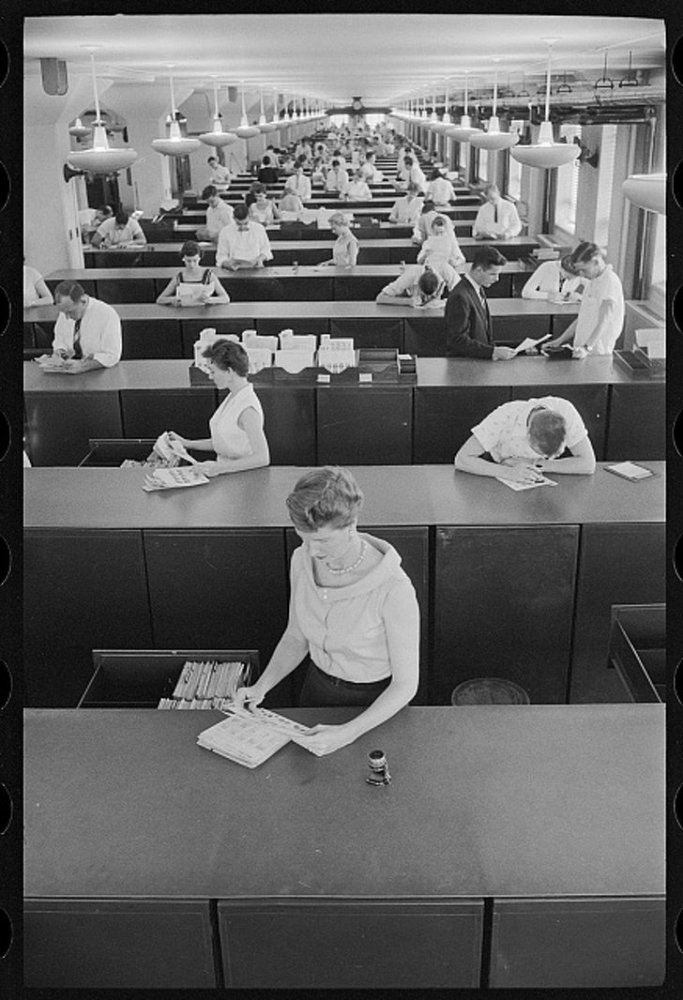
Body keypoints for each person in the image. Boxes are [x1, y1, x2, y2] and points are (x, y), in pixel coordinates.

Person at [231, 466, 420, 755]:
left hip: (373, 705)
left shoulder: (395, 588)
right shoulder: (301, 559)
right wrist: (261, 686)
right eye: (303, 537)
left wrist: (348, 733)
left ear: (351, 525)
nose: (312, 551)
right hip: (316, 690)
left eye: (322, 540)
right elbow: (296, 636)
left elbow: (405, 685)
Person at [168, 339, 269, 476]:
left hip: (243, 477)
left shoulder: (248, 409)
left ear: (229, 372)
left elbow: (262, 457)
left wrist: (219, 468)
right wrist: (187, 443)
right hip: (227, 475)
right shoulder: (233, 397)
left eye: (213, 372)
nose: (210, 377)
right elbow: (224, 441)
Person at [454, 396, 596, 484]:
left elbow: (588, 464)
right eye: (541, 452)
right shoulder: (505, 416)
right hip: (499, 470)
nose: (547, 457)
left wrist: (533, 464)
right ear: (527, 435)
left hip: (542, 475)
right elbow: (462, 459)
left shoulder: (566, 411)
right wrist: (508, 472)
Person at [543, 242, 625, 357]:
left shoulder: (610, 281)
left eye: (584, 270)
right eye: (579, 271)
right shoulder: (593, 281)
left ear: (595, 262)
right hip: (582, 348)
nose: (581, 274)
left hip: (597, 351)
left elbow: (604, 320)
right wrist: (560, 340)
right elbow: (582, 317)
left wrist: (587, 347)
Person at [444, 246, 516, 360]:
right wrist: (492, 352)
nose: (497, 279)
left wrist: (494, 350)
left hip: (478, 360)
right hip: (465, 364)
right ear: (478, 270)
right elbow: (457, 340)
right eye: (492, 274)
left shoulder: (478, 288)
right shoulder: (460, 297)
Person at [49, 280, 122, 372]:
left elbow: (112, 355)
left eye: (70, 312)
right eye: (63, 312)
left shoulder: (107, 315)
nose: (67, 317)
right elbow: (60, 339)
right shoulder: (66, 311)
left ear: (82, 301)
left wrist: (84, 366)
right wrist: (60, 351)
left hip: (98, 373)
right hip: (69, 370)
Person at [156, 241, 230, 306]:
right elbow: (160, 299)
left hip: (204, 313)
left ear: (199, 258)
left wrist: (210, 300)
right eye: (188, 261)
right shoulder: (179, 277)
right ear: (183, 259)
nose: (192, 265)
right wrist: (173, 299)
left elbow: (225, 298)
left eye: (195, 261)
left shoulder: (209, 275)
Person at [216, 203, 273, 270]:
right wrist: (227, 263)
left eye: (245, 223)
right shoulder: (225, 231)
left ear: (249, 217)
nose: (242, 227)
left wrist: (260, 259)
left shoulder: (259, 228)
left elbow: (266, 250)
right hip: (234, 269)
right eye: (239, 224)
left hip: (255, 268)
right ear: (233, 218)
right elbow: (221, 255)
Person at [416, 214, 465, 290]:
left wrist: (455, 262)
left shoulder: (451, 242)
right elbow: (419, 261)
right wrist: (425, 255)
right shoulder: (428, 243)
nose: (439, 235)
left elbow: (462, 259)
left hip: (445, 269)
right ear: (432, 231)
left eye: (441, 232)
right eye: (436, 233)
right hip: (431, 270)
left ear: (446, 231)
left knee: (452, 278)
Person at [375, 265, 446, 308]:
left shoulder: (441, 282)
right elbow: (380, 298)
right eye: (424, 295)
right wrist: (408, 301)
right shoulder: (409, 276)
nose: (426, 298)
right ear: (418, 286)